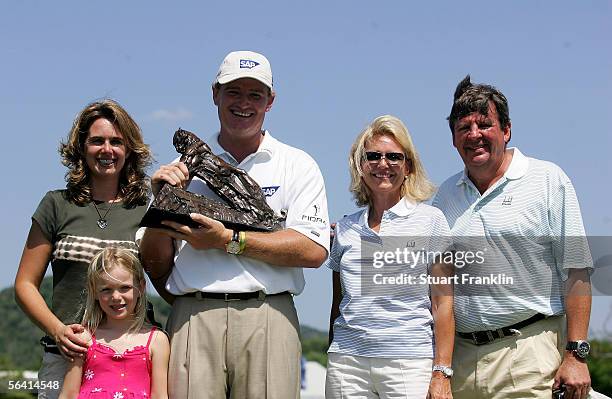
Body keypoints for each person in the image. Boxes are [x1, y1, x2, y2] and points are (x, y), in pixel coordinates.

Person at [139, 50, 330, 399]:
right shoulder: (179, 170)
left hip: (269, 313)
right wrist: (160, 206)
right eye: (233, 92)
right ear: (215, 94)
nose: (244, 103)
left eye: (255, 94)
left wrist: (229, 239)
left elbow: (313, 250)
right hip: (194, 314)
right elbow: (153, 261)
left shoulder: (297, 164)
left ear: (270, 101)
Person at [432, 76, 594, 399]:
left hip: (530, 355)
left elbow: (577, 270)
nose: (474, 135)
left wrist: (576, 354)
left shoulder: (548, 180)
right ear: (453, 139)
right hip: (462, 364)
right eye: (463, 127)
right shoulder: (444, 197)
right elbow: (437, 288)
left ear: (506, 130)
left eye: (484, 124)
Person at [14, 99, 153, 399]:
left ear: (129, 150)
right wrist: (57, 331)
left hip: (127, 358)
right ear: (81, 148)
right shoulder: (55, 205)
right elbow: (25, 284)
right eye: (97, 141)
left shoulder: (146, 211)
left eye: (117, 142)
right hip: (64, 356)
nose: (107, 150)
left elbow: (168, 279)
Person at [326, 115, 455, 399]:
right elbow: (339, 303)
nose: (383, 164)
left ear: (408, 166)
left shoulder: (430, 221)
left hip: (408, 365)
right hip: (347, 364)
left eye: (394, 157)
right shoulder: (345, 228)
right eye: (373, 156)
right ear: (360, 166)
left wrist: (442, 372)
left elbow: (443, 304)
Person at [59, 247, 170, 399]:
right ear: (94, 292)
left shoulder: (157, 341)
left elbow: (160, 395)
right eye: (106, 290)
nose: (116, 297)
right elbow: (68, 394)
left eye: (125, 288)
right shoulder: (83, 338)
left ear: (141, 288)